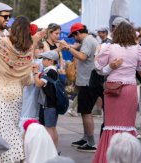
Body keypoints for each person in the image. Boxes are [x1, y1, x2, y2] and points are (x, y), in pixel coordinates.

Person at [0, 16, 39, 163]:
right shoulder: (29, 50)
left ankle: (15, 159)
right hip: (15, 92)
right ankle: (8, 159)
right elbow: (28, 79)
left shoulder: (3, 43)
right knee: (11, 127)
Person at [92, 22, 141, 163]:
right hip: (129, 89)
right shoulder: (137, 49)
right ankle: (129, 158)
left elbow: (98, 68)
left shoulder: (109, 48)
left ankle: (107, 158)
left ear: (116, 33)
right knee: (128, 125)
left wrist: (111, 67)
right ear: (131, 34)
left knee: (110, 125)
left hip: (113, 89)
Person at [61, 23, 98, 152]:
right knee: (84, 112)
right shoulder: (89, 40)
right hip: (87, 81)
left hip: (88, 81)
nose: (73, 38)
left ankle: (91, 142)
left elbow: (82, 56)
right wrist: (68, 47)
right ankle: (86, 138)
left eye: (74, 36)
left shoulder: (87, 41)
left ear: (77, 33)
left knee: (86, 112)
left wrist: (69, 48)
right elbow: (77, 47)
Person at [19, 27, 44, 134]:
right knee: (26, 111)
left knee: (32, 111)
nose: (41, 51)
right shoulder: (30, 60)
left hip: (33, 91)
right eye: (39, 48)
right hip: (26, 89)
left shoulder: (39, 62)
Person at [34, 50, 60, 148]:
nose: (42, 61)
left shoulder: (50, 71)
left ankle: (51, 151)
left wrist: (35, 74)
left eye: (44, 59)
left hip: (49, 104)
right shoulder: (54, 70)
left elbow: (39, 84)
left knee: (49, 128)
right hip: (52, 103)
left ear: (51, 61)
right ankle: (54, 150)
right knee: (52, 128)